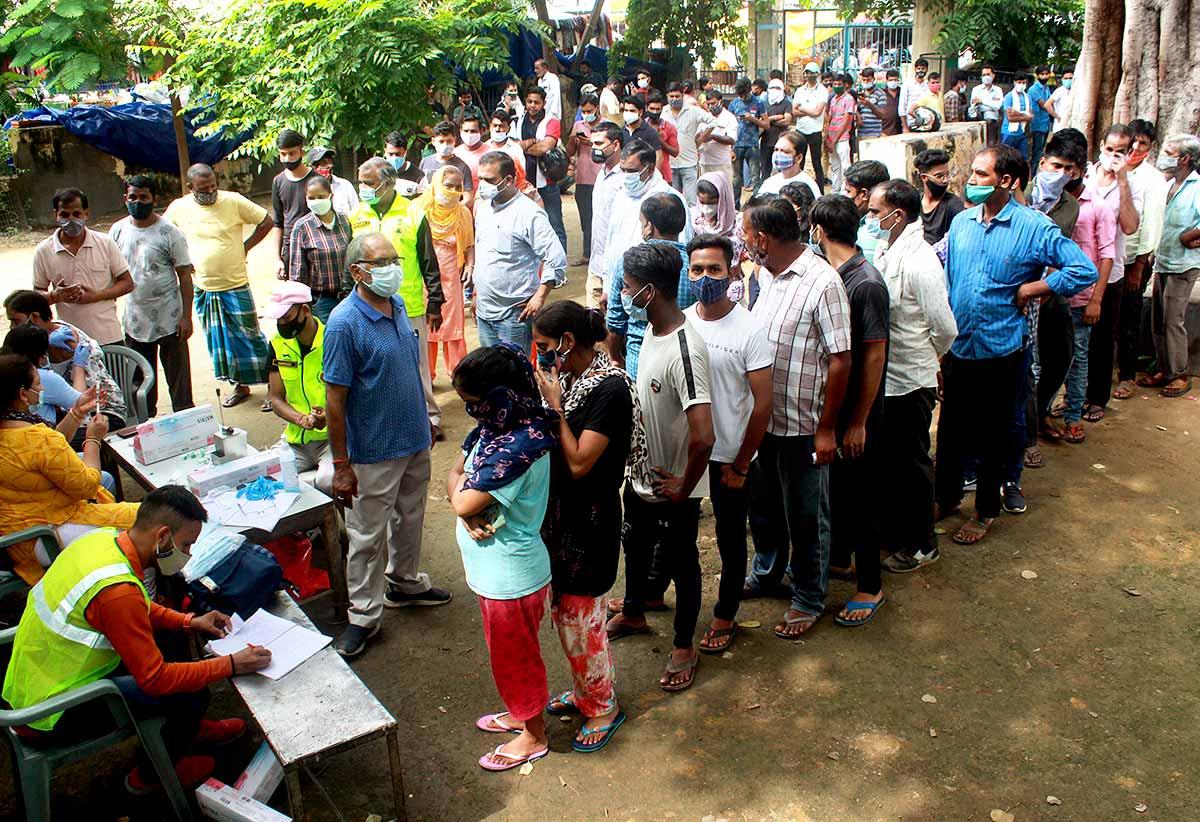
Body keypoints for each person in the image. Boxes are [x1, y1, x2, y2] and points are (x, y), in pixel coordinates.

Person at [1, 484, 271, 793]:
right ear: (163, 536)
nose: (189, 554)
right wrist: (231, 664)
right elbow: (155, 678)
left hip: (37, 678)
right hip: (51, 714)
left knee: (172, 642)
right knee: (193, 693)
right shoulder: (117, 592)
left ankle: (187, 728)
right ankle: (152, 776)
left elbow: (138, 606)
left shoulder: (102, 541)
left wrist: (189, 621)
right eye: (186, 544)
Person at [937, 145, 1096, 546]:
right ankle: (947, 497)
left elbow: (1082, 269)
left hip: (1003, 350)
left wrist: (1036, 287)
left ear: (1006, 181)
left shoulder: (1034, 227)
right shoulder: (962, 223)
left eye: (979, 175)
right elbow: (951, 281)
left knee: (994, 433)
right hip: (960, 347)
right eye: (971, 174)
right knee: (953, 430)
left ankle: (985, 510)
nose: (970, 182)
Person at [324, 232, 451, 659]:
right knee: (366, 535)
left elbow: (409, 370)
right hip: (372, 450)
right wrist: (342, 464)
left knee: (411, 515)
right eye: (381, 262)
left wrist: (428, 420)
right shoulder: (343, 324)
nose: (391, 268)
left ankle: (405, 581)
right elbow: (334, 400)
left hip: (413, 437)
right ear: (358, 271)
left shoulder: (396, 305)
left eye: (394, 259)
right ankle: (363, 615)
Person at [604, 244, 714, 692]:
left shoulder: (686, 350)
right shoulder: (652, 329)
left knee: (683, 561)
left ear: (649, 291)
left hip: (674, 487)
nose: (623, 293)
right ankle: (633, 611)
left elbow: (704, 433)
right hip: (642, 474)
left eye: (628, 287)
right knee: (635, 543)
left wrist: (685, 486)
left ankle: (685, 645)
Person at [741, 194, 851, 639]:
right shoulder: (766, 277)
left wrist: (827, 429)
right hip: (764, 422)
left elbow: (841, 359)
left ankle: (808, 596)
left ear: (763, 238)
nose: (744, 242)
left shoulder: (822, 282)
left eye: (747, 234)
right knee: (764, 510)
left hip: (804, 427)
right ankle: (767, 572)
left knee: (807, 516)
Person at [532, 302, 635, 753]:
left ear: (566, 343)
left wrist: (554, 409)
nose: (539, 355)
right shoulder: (574, 379)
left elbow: (578, 462)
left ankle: (604, 705)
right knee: (567, 614)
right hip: (561, 517)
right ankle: (584, 691)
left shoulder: (609, 389)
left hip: (590, 520)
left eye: (543, 346)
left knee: (582, 617)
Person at [448, 344, 555, 771]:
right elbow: (455, 475)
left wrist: (460, 499)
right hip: (496, 575)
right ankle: (521, 713)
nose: (470, 414)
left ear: (498, 398)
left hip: (511, 579)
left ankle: (534, 735)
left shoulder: (521, 445)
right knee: (508, 657)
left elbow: (459, 498)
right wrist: (460, 495)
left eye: (473, 404)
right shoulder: (495, 430)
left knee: (516, 660)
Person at [682, 234, 772, 652]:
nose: (704, 278)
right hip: (687, 454)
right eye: (697, 269)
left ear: (731, 269)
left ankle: (726, 613)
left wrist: (740, 463)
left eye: (713, 269)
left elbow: (763, 403)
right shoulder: (682, 323)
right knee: (676, 533)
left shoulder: (750, 328)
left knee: (731, 537)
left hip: (728, 458)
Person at [810, 193, 890, 625]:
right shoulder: (833, 275)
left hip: (859, 409)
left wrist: (858, 420)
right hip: (836, 405)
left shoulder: (866, 283)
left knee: (861, 495)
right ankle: (839, 558)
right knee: (838, 488)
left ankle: (870, 586)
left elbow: (874, 356)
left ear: (819, 231)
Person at [870, 181, 957, 574]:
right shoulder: (888, 248)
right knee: (892, 461)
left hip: (911, 376)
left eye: (875, 212)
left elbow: (944, 326)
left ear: (897, 215)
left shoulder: (921, 261)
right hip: (889, 376)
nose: (870, 219)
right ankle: (899, 531)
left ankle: (923, 544)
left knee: (913, 463)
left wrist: (930, 356)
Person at [0, 353, 137, 581]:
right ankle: (143, 595)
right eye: (37, 383)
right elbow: (87, 486)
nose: (42, 386)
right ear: (23, 394)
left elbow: (46, 453)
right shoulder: (35, 437)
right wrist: (93, 440)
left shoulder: (18, 431)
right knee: (146, 522)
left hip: (15, 532)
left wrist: (76, 413)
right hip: (43, 535)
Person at [348, 157, 446, 436]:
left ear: (388, 183)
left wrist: (435, 301)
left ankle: (430, 417)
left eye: (368, 183)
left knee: (418, 363)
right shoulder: (357, 215)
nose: (363, 188)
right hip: (368, 304)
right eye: (360, 182)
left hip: (408, 302)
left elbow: (429, 260)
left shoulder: (413, 214)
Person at [164, 164, 274, 409]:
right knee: (221, 342)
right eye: (204, 189)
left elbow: (267, 221)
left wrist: (245, 246)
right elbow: (165, 235)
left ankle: (272, 386)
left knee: (251, 336)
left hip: (236, 284)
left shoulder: (233, 201)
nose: (211, 191)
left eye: (213, 186)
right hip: (204, 288)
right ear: (190, 187)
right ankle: (239, 385)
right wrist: (181, 260)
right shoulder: (179, 208)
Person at [109, 174, 194, 416]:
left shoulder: (169, 232)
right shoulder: (117, 230)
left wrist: (186, 317)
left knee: (180, 386)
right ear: (125, 198)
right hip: (135, 321)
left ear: (154, 198)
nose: (137, 202)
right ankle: (145, 427)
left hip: (170, 321)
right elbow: (112, 274)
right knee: (140, 385)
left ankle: (188, 426)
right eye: (132, 197)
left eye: (143, 197)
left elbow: (185, 277)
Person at [472, 151, 567, 352]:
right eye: (480, 178)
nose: (482, 185)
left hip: (515, 314)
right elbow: (483, 254)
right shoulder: (483, 208)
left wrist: (540, 296)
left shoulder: (529, 213)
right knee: (490, 371)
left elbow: (555, 257)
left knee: (514, 373)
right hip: (484, 310)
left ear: (508, 180)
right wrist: (476, 294)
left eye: (489, 180)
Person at [1080, 124, 1143, 419]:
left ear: (1129, 153)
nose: (1113, 156)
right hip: (1078, 269)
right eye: (1109, 150)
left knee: (1103, 339)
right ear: (1101, 147)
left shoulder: (1132, 185)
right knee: (1073, 337)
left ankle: (1096, 398)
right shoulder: (1085, 175)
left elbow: (1130, 226)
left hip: (1111, 271)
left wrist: (1122, 181)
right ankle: (1073, 394)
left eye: (1120, 151)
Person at [1056, 164, 1117, 443]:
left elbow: (1106, 255)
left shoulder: (1098, 207)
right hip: (1050, 298)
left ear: (1081, 169)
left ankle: (1073, 418)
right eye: (1056, 166)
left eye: (1069, 168)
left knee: (1078, 360)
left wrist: (1096, 300)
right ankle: (1047, 411)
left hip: (1081, 298)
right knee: (1048, 361)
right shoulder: (1048, 200)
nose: (1063, 173)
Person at [3, 289, 128, 425]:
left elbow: (80, 403)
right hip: (73, 408)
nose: (12, 327)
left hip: (101, 411)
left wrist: (78, 367)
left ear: (34, 317)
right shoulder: (37, 341)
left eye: (15, 321)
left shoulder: (66, 340)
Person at [606, 191, 694, 378]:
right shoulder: (696, 265)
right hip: (685, 358)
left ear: (649, 226)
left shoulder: (628, 263)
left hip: (639, 360)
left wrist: (615, 357)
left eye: (642, 222)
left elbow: (615, 321)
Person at [32, 187, 134, 346]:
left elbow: (127, 283)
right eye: (64, 214)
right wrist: (54, 296)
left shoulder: (104, 243)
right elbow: (37, 294)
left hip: (108, 337)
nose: (71, 219)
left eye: (77, 214)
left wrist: (97, 295)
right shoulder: (43, 251)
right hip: (69, 341)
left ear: (86, 214)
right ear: (56, 215)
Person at [1141, 134, 1200, 398]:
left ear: (1185, 158)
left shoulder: (1196, 187)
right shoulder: (1168, 185)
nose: (1164, 155)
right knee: (1158, 319)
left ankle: (1180, 373)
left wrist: (1190, 237)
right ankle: (1164, 368)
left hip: (1183, 265)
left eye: (1169, 151)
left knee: (1173, 320)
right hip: (1163, 260)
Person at [261, 282, 333, 496]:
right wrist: (301, 419)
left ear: (305, 310)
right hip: (295, 440)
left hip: (333, 439)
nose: (282, 324)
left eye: (286, 317)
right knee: (265, 477)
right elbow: (275, 398)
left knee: (328, 480)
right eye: (278, 319)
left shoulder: (333, 340)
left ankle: (344, 528)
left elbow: (353, 395)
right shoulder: (277, 345)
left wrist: (328, 417)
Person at [1114, 119, 1168, 400]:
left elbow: (1152, 226)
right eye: (1132, 141)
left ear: (1150, 148)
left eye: (1143, 144)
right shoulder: (1108, 170)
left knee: (1129, 317)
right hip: (1106, 257)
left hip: (1133, 259)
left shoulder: (1153, 180)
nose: (1135, 148)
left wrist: (1139, 265)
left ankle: (1126, 376)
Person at [415, 166, 474, 380]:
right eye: (448, 185)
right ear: (437, 184)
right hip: (424, 279)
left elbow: (468, 245)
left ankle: (459, 373)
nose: (454, 190)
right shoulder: (419, 211)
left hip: (452, 278)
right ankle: (426, 375)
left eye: (458, 186)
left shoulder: (463, 213)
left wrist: (470, 266)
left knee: (454, 328)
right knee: (428, 328)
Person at [286, 175, 353, 323]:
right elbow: (297, 272)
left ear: (331, 196)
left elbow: (353, 256)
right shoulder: (302, 227)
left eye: (321, 196)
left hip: (349, 297)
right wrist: (301, 303)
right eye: (312, 198)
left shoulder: (344, 221)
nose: (316, 201)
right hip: (321, 301)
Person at [516, 87, 568, 254]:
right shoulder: (518, 120)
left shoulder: (551, 121)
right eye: (529, 101)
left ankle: (560, 269)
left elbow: (545, 147)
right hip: (523, 184)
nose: (532, 105)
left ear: (543, 103)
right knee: (526, 227)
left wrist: (521, 147)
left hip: (546, 183)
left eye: (536, 102)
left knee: (555, 225)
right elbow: (510, 146)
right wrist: (530, 143)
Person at [270, 129, 316, 281]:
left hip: (314, 245)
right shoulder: (278, 181)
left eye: (292, 153)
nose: (287, 158)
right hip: (290, 248)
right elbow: (278, 223)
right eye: (283, 154)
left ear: (301, 152)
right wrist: (277, 258)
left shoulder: (316, 179)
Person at [566, 95, 603, 266]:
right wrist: (573, 139)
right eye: (584, 111)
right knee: (586, 220)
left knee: (601, 218)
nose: (587, 114)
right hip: (583, 178)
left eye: (590, 110)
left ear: (597, 108)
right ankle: (587, 254)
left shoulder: (605, 126)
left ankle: (601, 254)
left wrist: (592, 142)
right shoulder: (578, 125)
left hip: (601, 178)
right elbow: (569, 152)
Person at [664, 82, 715, 205]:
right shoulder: (663, 112)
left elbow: (712, 122)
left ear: (682, 95)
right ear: (667, 96)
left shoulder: (693, 111)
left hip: (689, 163)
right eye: (671, 96)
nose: (674, 99)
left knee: (691, 201)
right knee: (673, 202)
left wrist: (701, 138)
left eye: (677, 96)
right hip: (670, 164)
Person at [840, 160, 892, 260]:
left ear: (864, 194)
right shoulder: (861, 222)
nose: (844, 196)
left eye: (848, 191)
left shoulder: (872, 234)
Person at [914, 149, 966, 245]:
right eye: (939, 176)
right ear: (924, 178)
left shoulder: (953, 205)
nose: (945, 180)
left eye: (947, 175)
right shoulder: (915, 203)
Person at [790, 62, 828, 192]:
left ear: (817, 74)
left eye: (812, 72)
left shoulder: (822, 90)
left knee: (816, 163)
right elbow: (794, 112)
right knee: (799, 161)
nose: (809, 75)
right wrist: (810, 111)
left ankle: (820, 191)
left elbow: (818, 112)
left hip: (815, 131)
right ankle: (798, 190)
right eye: (807, 72)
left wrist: (802, 109)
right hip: (801, 130)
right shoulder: (800, 91)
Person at [727, 78, 764, 203]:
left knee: (755, 178)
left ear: (749, 90)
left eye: (744, 95)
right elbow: (728, 126)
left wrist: (753, 120)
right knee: (736, 179)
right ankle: (735, 206)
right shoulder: (733, 104)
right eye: (740, 95)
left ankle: (756, 204)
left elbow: (767, 124)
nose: (742, 98)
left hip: (752, 145)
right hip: (736, 146)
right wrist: (730, 148)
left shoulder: (758, 103)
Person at [421, 121, 476, 207]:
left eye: (449, 141)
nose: (445, 145)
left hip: (451, 217)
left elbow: (468, 199)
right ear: (433, 141)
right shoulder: (425, 162)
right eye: (441, 141)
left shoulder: (462, 167)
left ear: (455, 140)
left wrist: (451, 211)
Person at [693, 171, 744, 262]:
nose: (706, 208)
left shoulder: (739, 223)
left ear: (724, 199)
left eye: (712, 203)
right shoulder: (695, 220)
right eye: (702, 202)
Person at [758, 132, 821, 199]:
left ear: (799, 158)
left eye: (785, 151)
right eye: (776, 150)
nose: (778, 154)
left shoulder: (809, 185)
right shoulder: (769, 183)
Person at [758, 79, 794, 184]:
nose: (774, 90)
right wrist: (776, 117)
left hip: (781, 142)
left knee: (781, 169)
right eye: (772, 88)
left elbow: (786, 120)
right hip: (766, 141)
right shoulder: (763, 103)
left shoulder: (786, 103)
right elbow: (760, 122)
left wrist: (768, 120)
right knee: (765, 169)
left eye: (777, 88)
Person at [824, 74, 856, 193]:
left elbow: (846, 121)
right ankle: (835, 189)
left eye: (839, 84)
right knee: (835, 165)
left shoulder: (849, 99)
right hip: (832, 138)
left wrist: (835, 139)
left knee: (845, 165)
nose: (837, 86)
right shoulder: (833, 99)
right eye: (835, 84)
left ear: (845, 85)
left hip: (842, 137)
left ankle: (845, 190)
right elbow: (829, 119)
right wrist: (827, 137)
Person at [306, 146, 359, 215]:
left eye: (330, 161)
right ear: (313, 167)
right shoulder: (305, 189)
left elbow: (356, 211)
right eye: (324, 163)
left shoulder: (345, 185)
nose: (330, 166)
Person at [698, 91, 737, 181]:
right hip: (705, 162)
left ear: (721, 102)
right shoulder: (704, 117)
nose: (711, 106)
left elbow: (731, 139)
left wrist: (713, 137)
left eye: (713, 103)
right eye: (708, 104)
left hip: (721, 163)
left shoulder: (729, 118)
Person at [645, 92, 678, 185]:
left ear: (662, 109)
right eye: (652, 109)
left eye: (657, 109)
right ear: (646, 108)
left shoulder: (669, 127)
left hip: (664, 176)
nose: (655, 112)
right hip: (643, 175)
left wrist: (660, 141)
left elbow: (675, 152)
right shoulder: (641, 127)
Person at [452, 113, 491, 188]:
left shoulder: (491, 153)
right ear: (460, 131)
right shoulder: (454, 153)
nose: (469, 134)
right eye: (466, 131)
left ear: (482, 131)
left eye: (473, 131)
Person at [1000, 73, 1033, 157]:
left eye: (1023, 83)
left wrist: (1017, 114)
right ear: (1014, 82)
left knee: (1023, 158)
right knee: (1006, 157)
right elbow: (1010, 118)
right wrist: (1025, 116)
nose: (1021, 85)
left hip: (1021, 132)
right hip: (1008, 133)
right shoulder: (1009, 97)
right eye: (1019, 82)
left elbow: (1031, 116)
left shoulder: (1027, 97)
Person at [1028, 66, 1054, 170]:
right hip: (1037, 125)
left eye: (1046, 74)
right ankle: (1033, 175)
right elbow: (1045, 104)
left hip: (1045, 124)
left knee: (1042, 152)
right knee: (1037, 153)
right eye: (1042, 74)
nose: (1045, 76)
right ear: (1037, 75)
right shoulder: (1033, 89)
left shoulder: (1046, 88)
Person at [970, 66, 1004, 145]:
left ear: (993, 75)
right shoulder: (976, 89)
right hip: (979, 120)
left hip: (993, 122)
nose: (986, 77)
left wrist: (982, 101)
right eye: (983, 75)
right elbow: (973, 106)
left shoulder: (998, 90)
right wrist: (990, 104)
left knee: (991, 145)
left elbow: (998, 106)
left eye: (988, 74)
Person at [899, 57, 930, 132]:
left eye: (923, 69)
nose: (920, 71)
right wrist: (905, 127)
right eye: (918, 68)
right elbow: (902, 106)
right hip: (911, 123)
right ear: (915, 69)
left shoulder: (928, 85)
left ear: (927, 69)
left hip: (926, 123)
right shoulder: (907, 84)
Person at [856, 67, 886, 140]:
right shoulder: (859, 94)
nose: (866, 82)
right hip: (861, 133)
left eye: (868, 80)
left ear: (873, 79)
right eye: (864, 80)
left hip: (875, 134)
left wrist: (870, 105)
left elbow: (882, 114)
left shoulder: (881, 94)